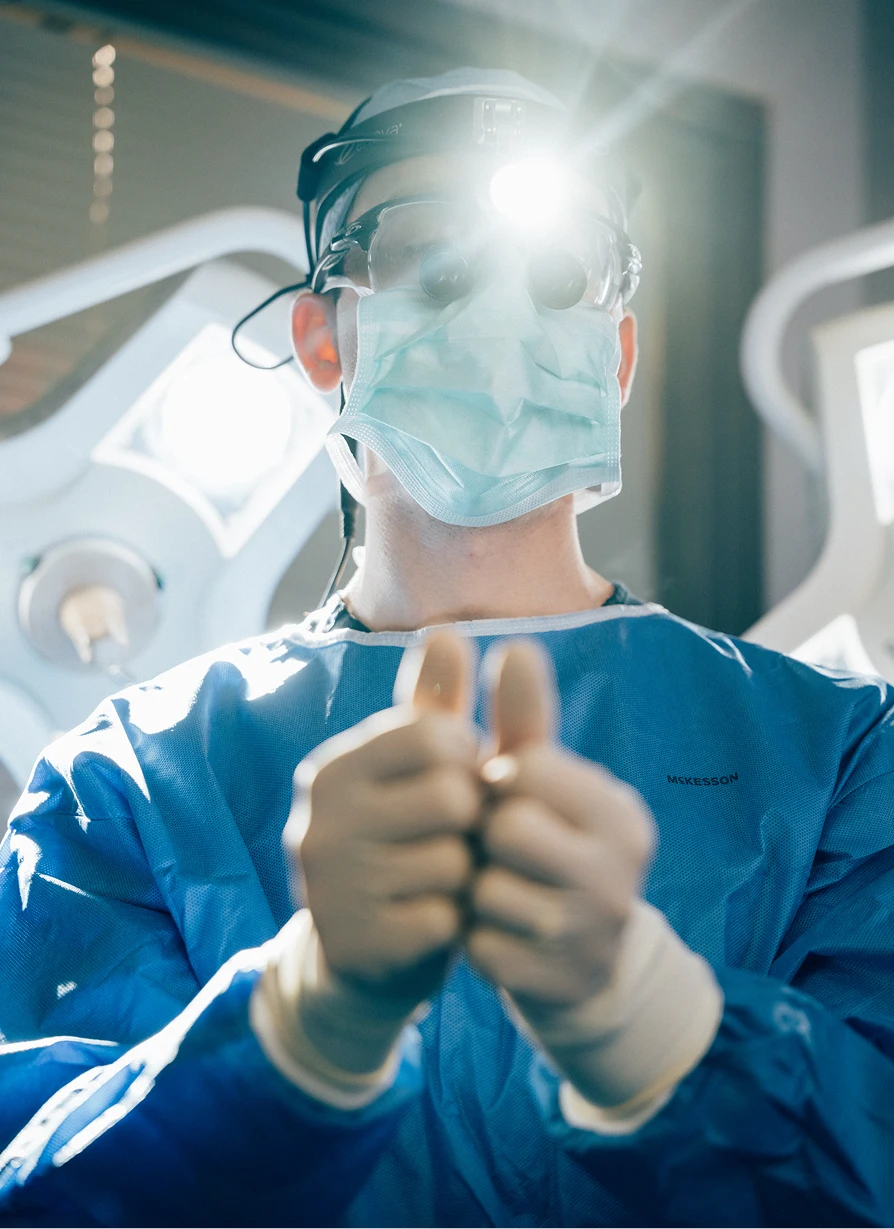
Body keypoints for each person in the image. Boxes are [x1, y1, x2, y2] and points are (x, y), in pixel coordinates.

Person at [0, 67, 893, 1228]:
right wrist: (302, 1021)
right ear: (324, 342)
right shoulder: (133, 777)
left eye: (559, 271)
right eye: (433, 258)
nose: (505, 314)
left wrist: (655, 1022)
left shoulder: (838, 754)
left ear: (614, 358)